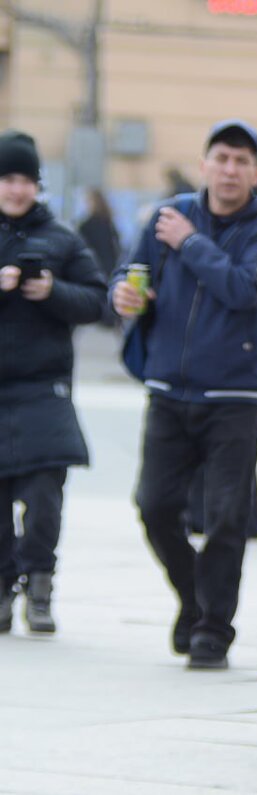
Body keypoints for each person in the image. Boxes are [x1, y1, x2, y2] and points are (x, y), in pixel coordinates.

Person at [110, 120, 257, 671]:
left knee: (228, 516)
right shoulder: (167, 216)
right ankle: (195, 599)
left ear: (255, 171)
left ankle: (212, 628)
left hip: (234, 395)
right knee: (154, 506)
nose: (230, 170)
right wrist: (124, 296)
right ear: (205, 163)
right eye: (221, 158)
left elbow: (245, 290)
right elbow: (129, 273)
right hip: (168, 390)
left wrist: (191, 243)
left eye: (241, 161)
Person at [0, 130, 106, 636]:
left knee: (45, 498)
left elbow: (97, 299)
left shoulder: (62, 238)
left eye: (26, 180)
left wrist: (52, 291)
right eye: (8, 178)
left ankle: (40, 584)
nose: (17, 190)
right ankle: (2, 590)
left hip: (45, 391)